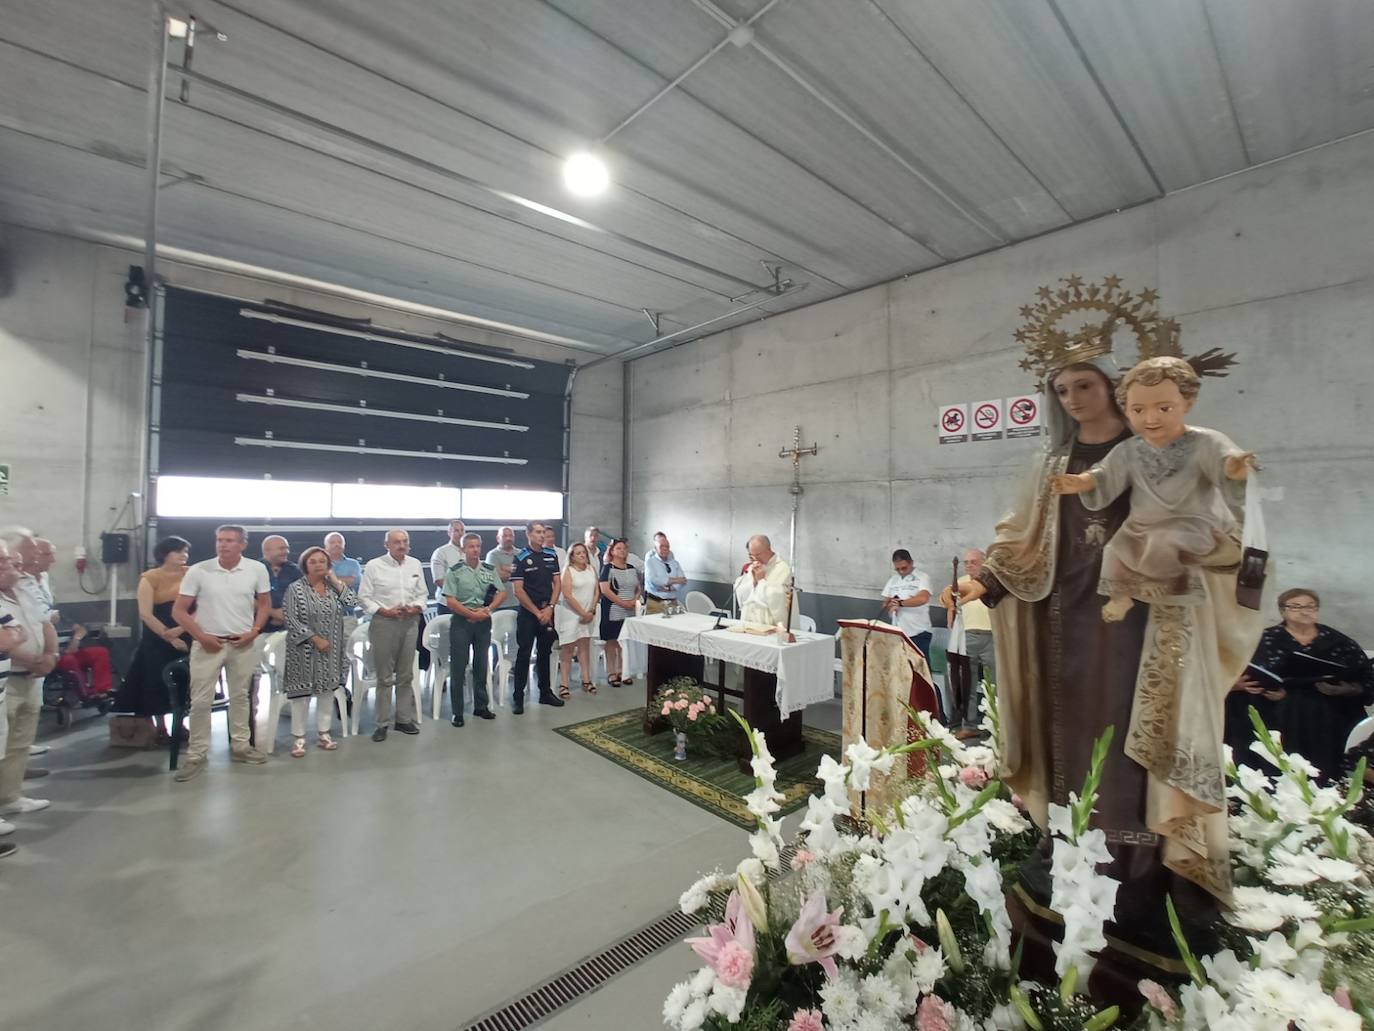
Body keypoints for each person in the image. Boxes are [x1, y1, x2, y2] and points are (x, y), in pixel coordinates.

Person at [948, 329, 1261, 936]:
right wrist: (983, 583)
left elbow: (1219, 520)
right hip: (1066, 630)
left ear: (1114, 386)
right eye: (1061, 389)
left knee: (1141, 742)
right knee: (1075, 739)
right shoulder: (1052, 466)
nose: (1073, 397)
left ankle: (1150, 867)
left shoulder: (1162, 450)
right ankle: (1072, 850)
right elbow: (1023, 543)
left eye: (1084, 385)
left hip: (1151, 629)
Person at [1052, 356, 1255, 622]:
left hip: (1193, 522)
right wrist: (1083, 482)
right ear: (1125, 409)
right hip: (1142, 523)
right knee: (1116, 548)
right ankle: (1120, 596)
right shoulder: (1130, 449)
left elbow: (1226, 462)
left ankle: (1169, 584)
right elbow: (1106, 473)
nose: (1151, 418)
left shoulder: (1205, 441)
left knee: (1165, 541)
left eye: (1164, 408)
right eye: (1138, 410)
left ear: (1188, 403)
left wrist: (1234, 471)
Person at [1227, 588, 1374, 782]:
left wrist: (1348, 689)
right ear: (1282, 611)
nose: (1304, 611)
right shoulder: (1262, 639)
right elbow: (1233, 671)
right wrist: (1242, 685)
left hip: (1327, 711)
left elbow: (1366, 677)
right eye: (1295, 607)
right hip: (1272, 707)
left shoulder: (1339, 641)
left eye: (1310, 606)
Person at [171, 524, 272, 782]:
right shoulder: (199, 570)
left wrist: (255, 630)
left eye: (229, 540)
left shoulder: (256, 569)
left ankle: (241, 746)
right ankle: (196, 755)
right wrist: (202, 637)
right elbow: (179, 611)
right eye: (219, 540)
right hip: (207, 644)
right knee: (201, 701)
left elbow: (264, 604)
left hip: (242, 643)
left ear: (242, 544)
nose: (223, 544)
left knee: (240, 697)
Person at [0, 533, 56, 819]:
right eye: (8, 561)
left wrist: (51, 656)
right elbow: (6, 640)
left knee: (20, 742)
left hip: (32, 678)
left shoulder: (25, 587)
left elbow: (45, 622)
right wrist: (35, 659)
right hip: (9, 679)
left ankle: (10, 796)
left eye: (13, 561)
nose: (15, 566)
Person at [114, 536, 192, 740]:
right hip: (158, 635)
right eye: (178, 551)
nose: (183, 555)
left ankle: (181, 723)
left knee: (185, 679)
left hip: (186, 630)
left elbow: (201, 606)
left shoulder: (191, 574)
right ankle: (160, 726)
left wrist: (181, 629)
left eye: (185, 551)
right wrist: (169, 636)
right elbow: (146, 613)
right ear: (165, 554)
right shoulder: (150, 577)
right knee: (156, 680)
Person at [281, 547, 357, 757]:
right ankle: (299, 738)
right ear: (305, 565)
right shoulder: (295, 589)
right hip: (303, 650)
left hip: (331, 650)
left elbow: (352, 602)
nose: (318, 565)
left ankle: (324, 733)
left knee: (326, 692)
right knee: (302, 696)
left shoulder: (333, 588)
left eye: (322, 561)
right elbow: (291, 619)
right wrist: (315, 639)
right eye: (313, 562)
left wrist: (335, 581)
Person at [24, 537, 113, 705]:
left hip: (67, 646)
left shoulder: (45, 582)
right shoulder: (24, 592)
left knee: (100, 652)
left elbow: (79, 628)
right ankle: (86, 696)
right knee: (68, 661)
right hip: (48, 652)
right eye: (48, 554)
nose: (53, 560)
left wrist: (76, 640)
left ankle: (103, 692)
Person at [357, 529, 428, 741]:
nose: (402, 545)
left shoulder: (414, 564)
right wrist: (383, 611)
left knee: (406, 674)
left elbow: (423, 593)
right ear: (386, 544)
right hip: (384, 623)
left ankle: (404, 719)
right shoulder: (374, 565)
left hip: (410, 623)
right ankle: (381, 723)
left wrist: (416, 607)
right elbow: (364, 597)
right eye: (397, 542)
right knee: (385, 676)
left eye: (405, 541)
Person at [442, 532, 504, 727]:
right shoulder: (455, 570)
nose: (475, 550)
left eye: (477, 546)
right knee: (459, 667)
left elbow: (502, 592)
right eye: (470, 546)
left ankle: (481, 706)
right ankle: (457, 711)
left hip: (483, 621)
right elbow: (450, 600)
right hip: (462, 622)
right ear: (463, 549)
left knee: (481, 664)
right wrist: (470, 614)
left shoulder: (488, 569)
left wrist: (488, 609)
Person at [510, 522, 564, 712]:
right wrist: (536, 612)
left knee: (545, 653)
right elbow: (518, 590)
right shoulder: (521, 557)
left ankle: (545, 693)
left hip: (547, 611)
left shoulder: (551, 555)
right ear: (529, 534)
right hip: (528, 613)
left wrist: (550, 607)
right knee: (524, 654)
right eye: (538, 532)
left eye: (544, 532)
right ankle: (518, 696)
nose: (542, 536)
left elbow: (557, 583)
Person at [946, 548, 995, 737]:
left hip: (992, 636)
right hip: (967, 637)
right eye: (966, 562)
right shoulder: (959, 583)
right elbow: (950, 602)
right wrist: (950, 617)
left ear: (984, 562)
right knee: (967, 683)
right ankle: (970, 726)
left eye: (973, 562)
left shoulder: (991, 582)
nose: (969, 565)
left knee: (996, 685)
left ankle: (997, 726)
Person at [556, 543, 599, 697]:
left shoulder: (591, 569)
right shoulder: (568, 571)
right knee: (568, 650)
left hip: (588, 613)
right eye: (578, 553)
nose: (582, 555)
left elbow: (596, 591)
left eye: (584, 552)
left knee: (584, 648)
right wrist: (582, 613)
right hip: (571, 614)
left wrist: (591, 610)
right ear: (572, 556)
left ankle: (586, 680)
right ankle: (564, 684)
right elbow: (567, 595)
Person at [599, 539, 642, 687]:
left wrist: (634, 600)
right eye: (618, 548)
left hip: (629, 611)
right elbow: (605, 589)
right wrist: (623, 603)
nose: (622, 551)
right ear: (612, 551)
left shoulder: (631, 568)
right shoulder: (607, 568)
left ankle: (623, 671)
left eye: (624, 548)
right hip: (613, 609)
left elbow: (638, 587)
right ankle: (612, 672)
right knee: (612, 641)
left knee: (624, 642)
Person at [733, 535, 797, 629]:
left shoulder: (782, 568)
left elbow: (778, 598)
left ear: (768, 549)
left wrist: (761, 581)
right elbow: (742, 594)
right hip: (749, 621)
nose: (755, 558)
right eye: (751, 555)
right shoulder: (752, 567)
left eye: (758, 555)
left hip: (770, 624)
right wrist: (754, 583)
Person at [880, 549, 932, 655]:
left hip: (918, 632)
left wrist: (900, 603)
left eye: (904, 568)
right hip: (897, 632)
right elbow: (885, 603)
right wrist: (891, 606)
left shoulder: (922, 577)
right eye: (897, 569)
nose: (901, 571)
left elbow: (922, 599)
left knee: (919, 669)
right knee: (899, 669)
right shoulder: (893, 580)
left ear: (911, 562)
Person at [261, 535, 302, 634]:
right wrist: (273, 613)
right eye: (282, 548)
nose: (286, 552)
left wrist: (286, 615)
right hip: (258, 629)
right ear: (267, 550)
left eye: (287, 548)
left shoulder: (295, 570)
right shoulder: (254, 570)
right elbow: (248, 598)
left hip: (290, 629)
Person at [644, 533, 687, 614]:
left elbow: (683, 580)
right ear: (655, 548)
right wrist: (676, 580)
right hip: (655, 603)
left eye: (667, 546)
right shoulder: (650, 561)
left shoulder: (674, 563)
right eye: (661, 546)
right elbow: (654, 580)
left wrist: (670, 588)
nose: (665, 549)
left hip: (672, 603)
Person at [430, 519, 466, 599]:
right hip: (446, 603)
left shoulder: (469, 551)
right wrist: (460, 594)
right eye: (456, 530)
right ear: (449, 533)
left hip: (468, 602)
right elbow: (438, 580)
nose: (460, 533)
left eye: (462, 530)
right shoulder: (440, 552)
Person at [486, 526, 519, 610]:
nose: (508, 538)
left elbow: (528, 575)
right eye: (504, 536)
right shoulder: (492, 555)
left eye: (510, 536)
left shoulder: (521, 554)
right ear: (498, 538)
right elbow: (496, 576)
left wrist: (504, 568)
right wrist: (518, 572)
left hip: (520, 603)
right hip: (500, 605)